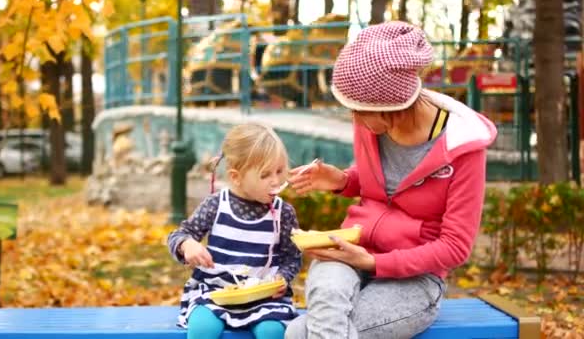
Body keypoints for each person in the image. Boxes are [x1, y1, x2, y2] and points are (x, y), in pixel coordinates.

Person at [285, 21, 498, 339]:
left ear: (393, 108)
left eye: (358, 110)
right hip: (349, 250)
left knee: (300, 333)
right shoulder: (373, 123)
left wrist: (373, 262)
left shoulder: (462, 148)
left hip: (414, 279)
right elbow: (383, 189)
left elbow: (455, 247)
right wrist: (341, 180)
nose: (353, 119)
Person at [167, 123, 302, 339]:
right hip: (216, 294)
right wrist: (187, 245)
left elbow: (292, 258)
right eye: (265, 174)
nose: (276, 181)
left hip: (265, 299)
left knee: (272, 333)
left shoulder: (283, 213)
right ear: (237, 177)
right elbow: (179, 235)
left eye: (279, 170)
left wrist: (282, 278)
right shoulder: (216, 205)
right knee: (202, 329)